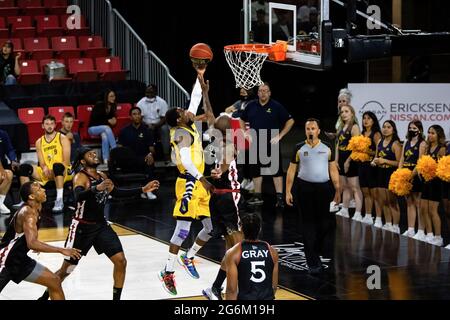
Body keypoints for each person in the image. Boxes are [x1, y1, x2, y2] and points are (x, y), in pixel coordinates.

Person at [38, 147, 160, 300]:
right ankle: (43, 298)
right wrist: (96, 188)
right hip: (82, 228)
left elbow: (116, 193)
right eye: (90, 154)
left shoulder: (102, 175)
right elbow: (78, 197)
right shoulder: (80, 177)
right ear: (83, 161)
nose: (94, 155)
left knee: (121, 261)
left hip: (101, 225)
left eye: (95, 153)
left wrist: (142, 188)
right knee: (66, 270)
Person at [159, 74, 215, 296]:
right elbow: (186, 159)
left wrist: (200, 76)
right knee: (182, 231)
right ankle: (167, 271)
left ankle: (188, 256)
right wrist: (201, 178)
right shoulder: (180, 133)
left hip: (199, 182)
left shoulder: (186, 123)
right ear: (178, 120)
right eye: (182, 113)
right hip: (189, 183)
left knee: (211, 228)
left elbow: (194, 100)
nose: (186, 111)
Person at [0, 182, 81, 300]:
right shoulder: (28, 213)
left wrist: (35, 245)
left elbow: (28, 238)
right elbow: (32, 243)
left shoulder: (36, 210)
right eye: (38, 189)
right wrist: (61, 250)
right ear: (31, 197)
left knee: (54, 281)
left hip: (20, 259)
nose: (43, 190)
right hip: (5, 261)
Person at [286, 118, 340, 274]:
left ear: (318, 130)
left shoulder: (328, 147)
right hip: (304, 189)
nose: (310, 131)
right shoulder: (298, 148)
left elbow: (333, 170)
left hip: (324, 189)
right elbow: (291, 170)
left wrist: (337, 190)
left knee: (325, 224)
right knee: (308, 225)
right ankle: (313, 263)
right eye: (307, 128)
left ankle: (316, 250)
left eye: (313, 128)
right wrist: (288, 191)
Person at [239, 82, 295, 208]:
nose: (263, 93)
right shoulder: (251, 105)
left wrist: (280, 136)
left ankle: (280, 198)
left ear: (269, 93)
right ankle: (257, 196)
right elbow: (242, 119)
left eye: (265, 91)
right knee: (256, 171)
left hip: (271, 142)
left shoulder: (276, 106)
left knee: (276, 171)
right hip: (255, 142)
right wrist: (245, 133)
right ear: (257, 93)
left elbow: (290, 121)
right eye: (261, 90)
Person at [15, 115, 72, 213]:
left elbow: (66, 161)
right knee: (24, 168)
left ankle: (59, 201)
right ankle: (25, 200)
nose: (49, 126)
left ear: (55, 125)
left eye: (51, 124)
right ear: (42, 126)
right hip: (46, 171)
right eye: (47, 124)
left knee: (57, 166)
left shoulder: (62, 138)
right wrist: (45, 168)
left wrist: (53, 170)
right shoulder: (39, 142)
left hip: (63, 170)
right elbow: (41, 162)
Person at [224, 213, 278, 300]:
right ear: (260, 229)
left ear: (241, 229)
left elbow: (231, 290)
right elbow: (274, 286)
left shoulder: (233, 253)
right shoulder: (272, 251)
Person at [118, 106, 157, 200]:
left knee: (149, 161)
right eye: (134, 114)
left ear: (141, 116)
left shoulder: (147, 130)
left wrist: (151, 154)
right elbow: (120, 148)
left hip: (142, 158)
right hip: (128, 160)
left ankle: (149, 190)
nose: (137, 116)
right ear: (130, 117)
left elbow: (152, 149)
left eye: (138, 114)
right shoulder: (124, 131)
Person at [334, 105, 363, 221]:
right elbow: (337, 144)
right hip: (341, 158)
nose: (344, 114)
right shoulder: (341, 127)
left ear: (352, 113)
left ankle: (358, 213)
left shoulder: (354, 127)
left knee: (355, 187)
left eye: (346, 111)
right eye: (342, 112)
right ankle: (345, 209)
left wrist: (348, 161)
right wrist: (336, 160)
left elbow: (357, 147)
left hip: (350, 159)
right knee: (345, 186)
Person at [325, 88, 353, 212]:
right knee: (341, 181)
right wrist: (335, 136)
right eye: (339, 101)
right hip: (339, 151)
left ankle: (338, 202)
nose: (341, 103)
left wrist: (348, 158)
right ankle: (341, 202)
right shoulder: (340, 118)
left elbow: (352, 139)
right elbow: (341, 135)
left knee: (344, 182)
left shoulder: (352, 120)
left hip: (347, 154)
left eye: (344, 101)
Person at [372, 120, 402, 232]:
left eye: (388, 127)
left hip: (391, 174)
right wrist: (374, 161)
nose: (385, 129)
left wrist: (384, 160)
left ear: (393, 129)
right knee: (383, 200)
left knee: (392, 201)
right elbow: (376, 157)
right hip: (380, 173)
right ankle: (388, 223)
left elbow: (399, 162)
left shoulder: (396, 144)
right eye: (384, 127)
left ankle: (396, 226)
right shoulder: (379, 141)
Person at [418, 125, 446, 246]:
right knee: (424, 209)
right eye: (429, 132)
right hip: (426, 182)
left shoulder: (441, 149)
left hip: (436, 183)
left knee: (433, 210)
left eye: (433, 133)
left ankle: (438, 237)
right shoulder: (427, 148)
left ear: (439, 135)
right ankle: (429, 234)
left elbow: (443, 167)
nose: (430, 135)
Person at [398, 120, 427, 238]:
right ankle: (410, 229)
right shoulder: (406, 142)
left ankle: (420, 231)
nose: (412, 130)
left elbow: (420, 162)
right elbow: (401, 159)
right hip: (405, 173)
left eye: (414, 128)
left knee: (418, 203)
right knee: (409, 202)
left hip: (416, 175)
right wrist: (400, 173)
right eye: (410, 128)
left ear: (419, 130)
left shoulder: (422, 143)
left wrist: (411, 175)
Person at [358, 112, 382, 225]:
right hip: (362, 165)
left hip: (372, 166)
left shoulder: (376, 134)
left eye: (368, 118)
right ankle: (368, 215)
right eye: (364, 118)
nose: (365, 120)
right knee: (365, 192)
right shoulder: (362, 133)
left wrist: (368, 152)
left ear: (373, 121)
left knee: (374, 194)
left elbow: (379, 151)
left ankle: (378, 218)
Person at [136, 84, 170, 161]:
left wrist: (156, 126)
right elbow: (139, 118)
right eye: (147, 92)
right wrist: (147, 125)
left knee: (165, 129)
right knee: (142, 129)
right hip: (145, 124)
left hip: (159, 125)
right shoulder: (140, 103)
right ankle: (145, 155)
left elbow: (164, 118)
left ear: (155, 92)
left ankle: (166, 154)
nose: (149, 95)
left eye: (151, 92)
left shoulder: (162, 102)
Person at [88, 90, 118, 164]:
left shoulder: (112, 107)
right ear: (106, 97)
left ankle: (105, 160)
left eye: (114, 96)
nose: (113, 98)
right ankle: (116, 151)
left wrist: (114, 120)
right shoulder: (99, 105)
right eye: (111, 96)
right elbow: (95, 119)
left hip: (103, 130)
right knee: (107, 128)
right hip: (92, 129)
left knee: (104, 136)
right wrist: (108, 121)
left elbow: (112, 121)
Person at [0, 129, 19, 214]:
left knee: (9, 174)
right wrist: (1, 169)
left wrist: (13, 160)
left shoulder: (2, 133)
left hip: (2, 164)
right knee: (3, 175)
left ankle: (0, 203)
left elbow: (10, 149)